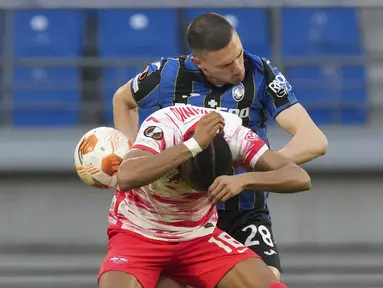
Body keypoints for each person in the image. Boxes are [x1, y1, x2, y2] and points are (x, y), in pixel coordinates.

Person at [112, 12, 328, 285]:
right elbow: (122, 100)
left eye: (238, 54)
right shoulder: (166, 74)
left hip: (241, 210)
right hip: (179, 214)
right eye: (226, 65)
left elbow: (314, 140)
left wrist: (250, 165)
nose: (238, 68)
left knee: (265, 278)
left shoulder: (260, 71)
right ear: (199, 63)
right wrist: (130, 154)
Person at [99, 105, 311, 288]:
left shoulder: (236, 137)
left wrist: (243, 180)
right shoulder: (165, 125)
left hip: (198, 237)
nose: (197, 193)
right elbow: (126, 176)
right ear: (181, 166)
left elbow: (300, 178)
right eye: (192, 185)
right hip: (138, 234)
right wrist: (192, 146)